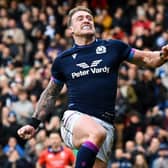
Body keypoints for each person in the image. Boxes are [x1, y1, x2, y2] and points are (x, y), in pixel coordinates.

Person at [17, 6, 168, 168]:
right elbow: (50, 94)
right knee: (96, 133)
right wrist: (33, 123)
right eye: (80, 18)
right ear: (71, 30)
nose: (86, 20)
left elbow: (146, 59)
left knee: (98, 137)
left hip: (106, 125)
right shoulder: (63, 60)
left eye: (89, 17)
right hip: (75, 118)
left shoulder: (113, 47)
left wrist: (163, 55)